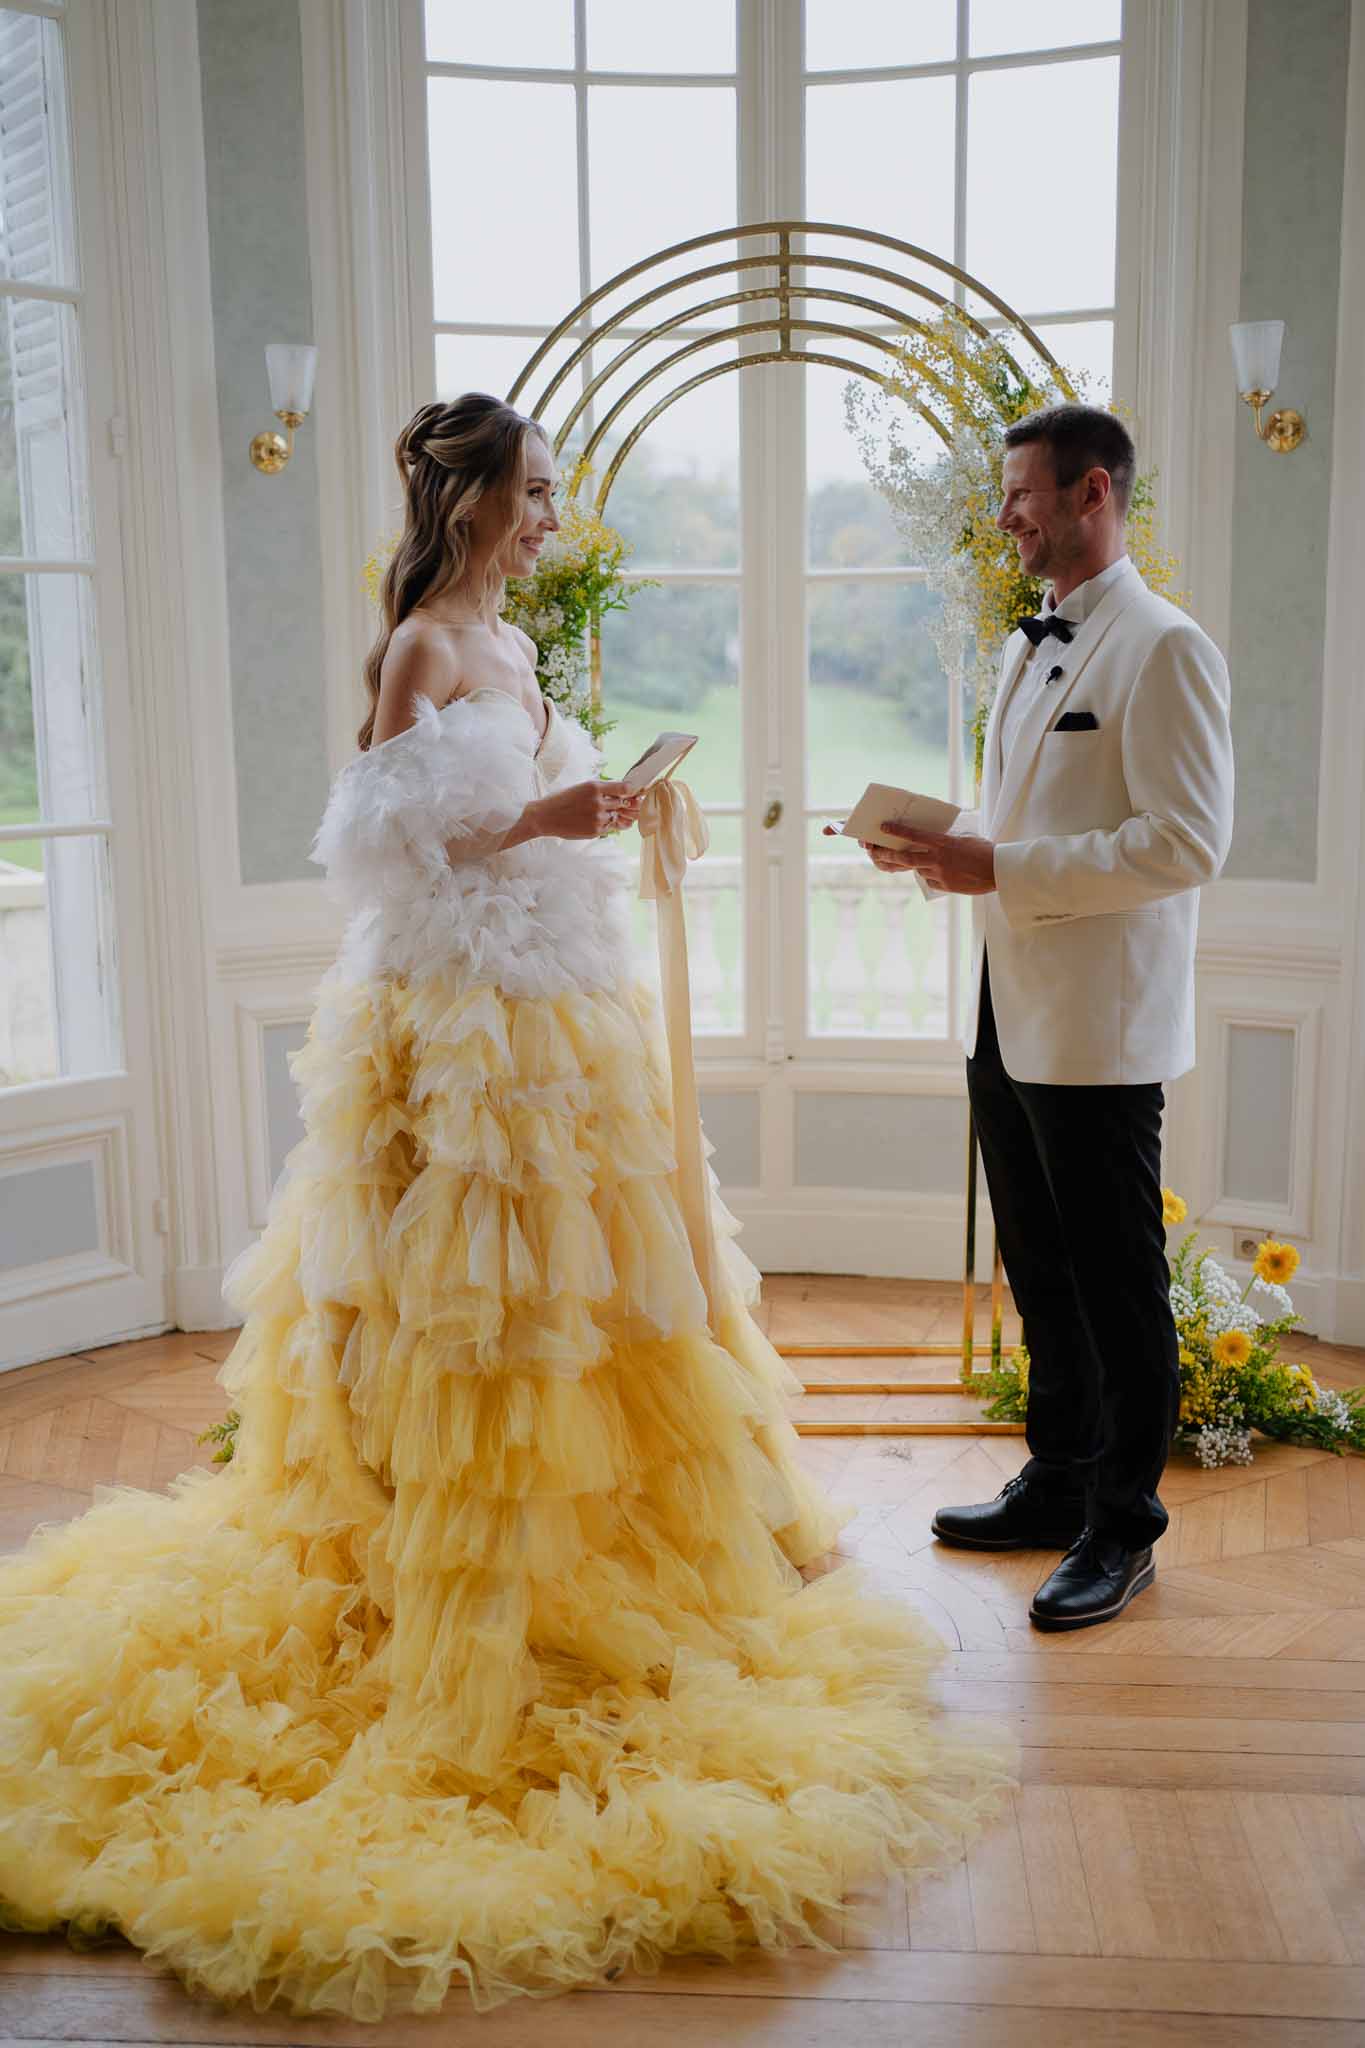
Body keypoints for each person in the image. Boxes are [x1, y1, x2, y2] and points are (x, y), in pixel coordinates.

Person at [0, 392, 1009, 2019]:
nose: (552, 518)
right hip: (454, 1027)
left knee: (596, 1304)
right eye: (537, 492)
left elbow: (528, 819)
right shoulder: (417, 648)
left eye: (554, 493)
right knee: (465, 1309)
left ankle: (590, 1554)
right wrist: (540, 815)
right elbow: (374, 849)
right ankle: (446, 1584)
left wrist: (607, 810)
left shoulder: (525, 650)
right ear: (467, 497)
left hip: (561, 1005)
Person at [862, 403, 1234, 1633]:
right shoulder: (1030, 644)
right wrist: (943, 848)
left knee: (1118, 1283)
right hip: (1004, 1002)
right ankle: (1059, 1474)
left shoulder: (1165, 645)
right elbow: (1026, 817)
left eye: (1023, 493)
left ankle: (1123, 1525)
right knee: (1037, 1263)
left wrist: (1003, 869)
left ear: (1093, 494)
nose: (1006, 514)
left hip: (1100, 1022)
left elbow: (1185, 842)